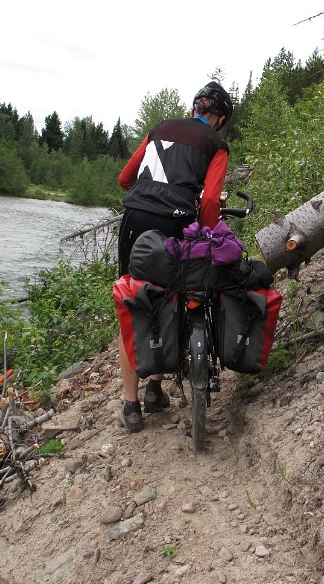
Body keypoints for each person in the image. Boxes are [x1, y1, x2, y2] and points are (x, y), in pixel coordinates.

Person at [116, 81, 234, 433]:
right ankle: (155, 388)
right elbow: (211, 203)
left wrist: (149, 195)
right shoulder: (216, 144)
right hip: (176, 222)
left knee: (132, 302)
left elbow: (125, 178)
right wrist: (206, 228)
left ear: (195, 107)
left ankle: (132, 406)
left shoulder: (160, 129)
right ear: (220, 118)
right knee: (174, 296)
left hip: (135, 219)